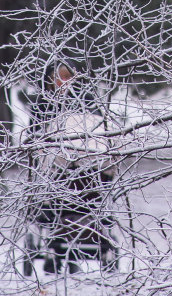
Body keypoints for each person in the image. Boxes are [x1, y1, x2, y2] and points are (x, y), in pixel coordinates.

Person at [23, 62, 117, 275]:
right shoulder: (43, 104)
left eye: (68, 78)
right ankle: (57, 253)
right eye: (60, 78)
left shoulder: (88, 102)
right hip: (56, 171)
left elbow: (99, 129)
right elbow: (34, 134)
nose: (64, 83)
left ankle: (74, 251)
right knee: (56, 203)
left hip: (89, 172)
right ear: (50, 81)